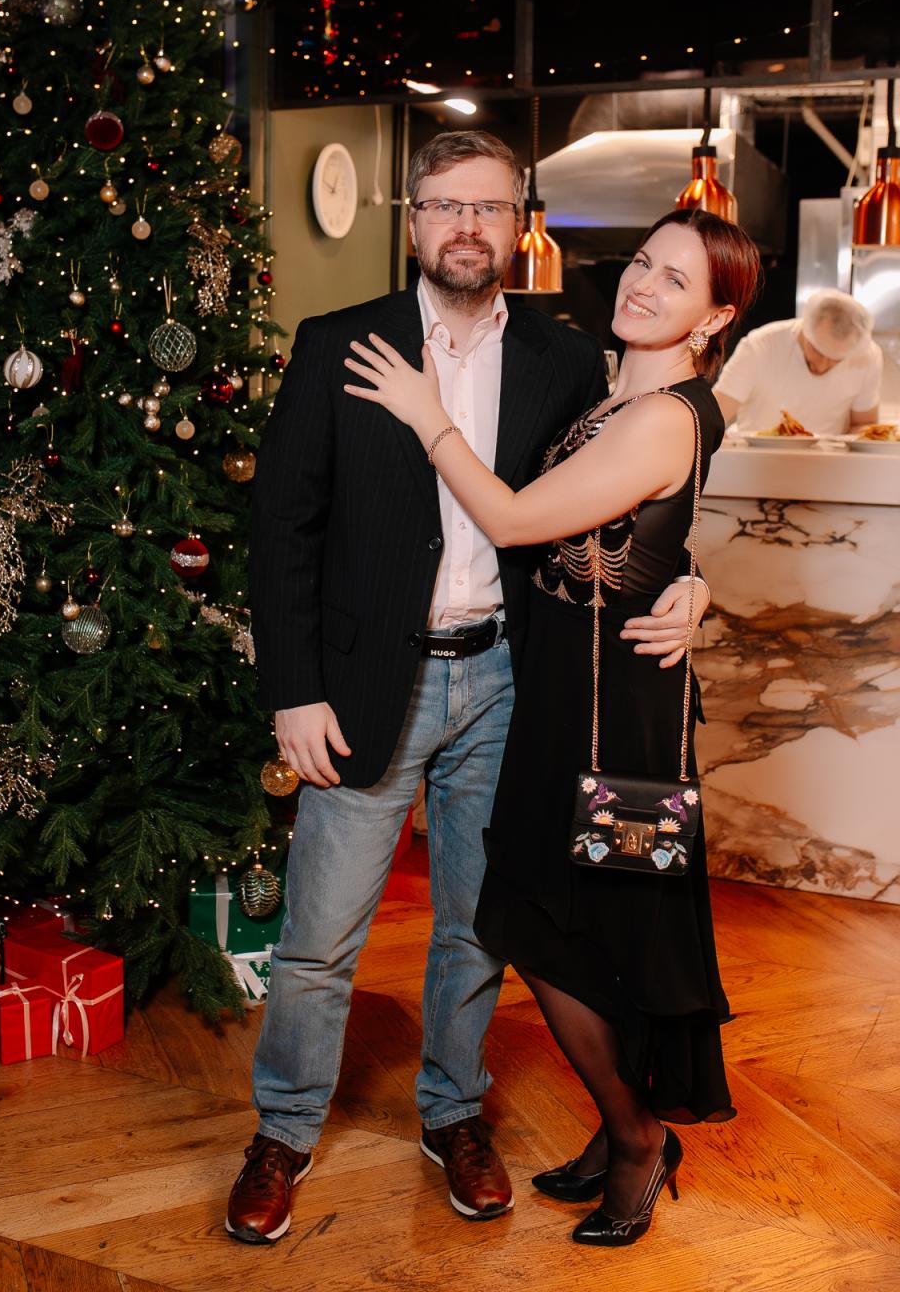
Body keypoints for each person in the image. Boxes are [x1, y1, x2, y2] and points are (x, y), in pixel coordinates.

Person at [228, 132, 710, 1246]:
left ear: (516, 222)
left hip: (507, 682)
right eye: (444, 205)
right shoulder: (339, 343)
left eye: (488, 207)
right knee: (320, 937)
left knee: (477, 928)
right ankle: (284, 1132)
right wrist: (293, 691)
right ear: (412, 221)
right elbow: (281, 528)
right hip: (363, 687)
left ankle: (452, 1115)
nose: (466, 227)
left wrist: (692, 582)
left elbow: (623, 505)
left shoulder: (564, 360)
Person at [344, 206, 761, 1249]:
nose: (644, 285)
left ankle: (637, 1138)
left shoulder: (666, 416)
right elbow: (645, 535)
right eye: (643, 262)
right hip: (564, 703)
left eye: (677, 281)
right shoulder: (614, 392)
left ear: (714, 320)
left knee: (561, 930)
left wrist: (425, 412)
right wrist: (691, 581)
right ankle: (618, 1123)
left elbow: (516, 520)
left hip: (617, 725)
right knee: (569, 930)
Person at [714, 287, 881, 434]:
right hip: (756, 457)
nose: (822, 365)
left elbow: (863, 425)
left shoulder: (867, 356)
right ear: (805, 328)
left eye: (836, 359)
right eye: (817, 351)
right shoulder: (761, 346)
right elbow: (714, 416)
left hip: (828, 458)